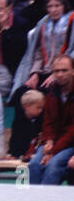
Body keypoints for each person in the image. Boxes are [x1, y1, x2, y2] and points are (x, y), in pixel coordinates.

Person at [25, 54, 74, 185]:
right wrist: (49, 141)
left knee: (53, 165)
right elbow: (47, 122)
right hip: (54, 142)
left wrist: (53, 151)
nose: (60, 74)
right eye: (56, 71)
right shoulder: (51, 92)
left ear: (73, 71)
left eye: (64, 70)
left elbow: (72, 132)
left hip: (70, 144)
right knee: (34, 165)